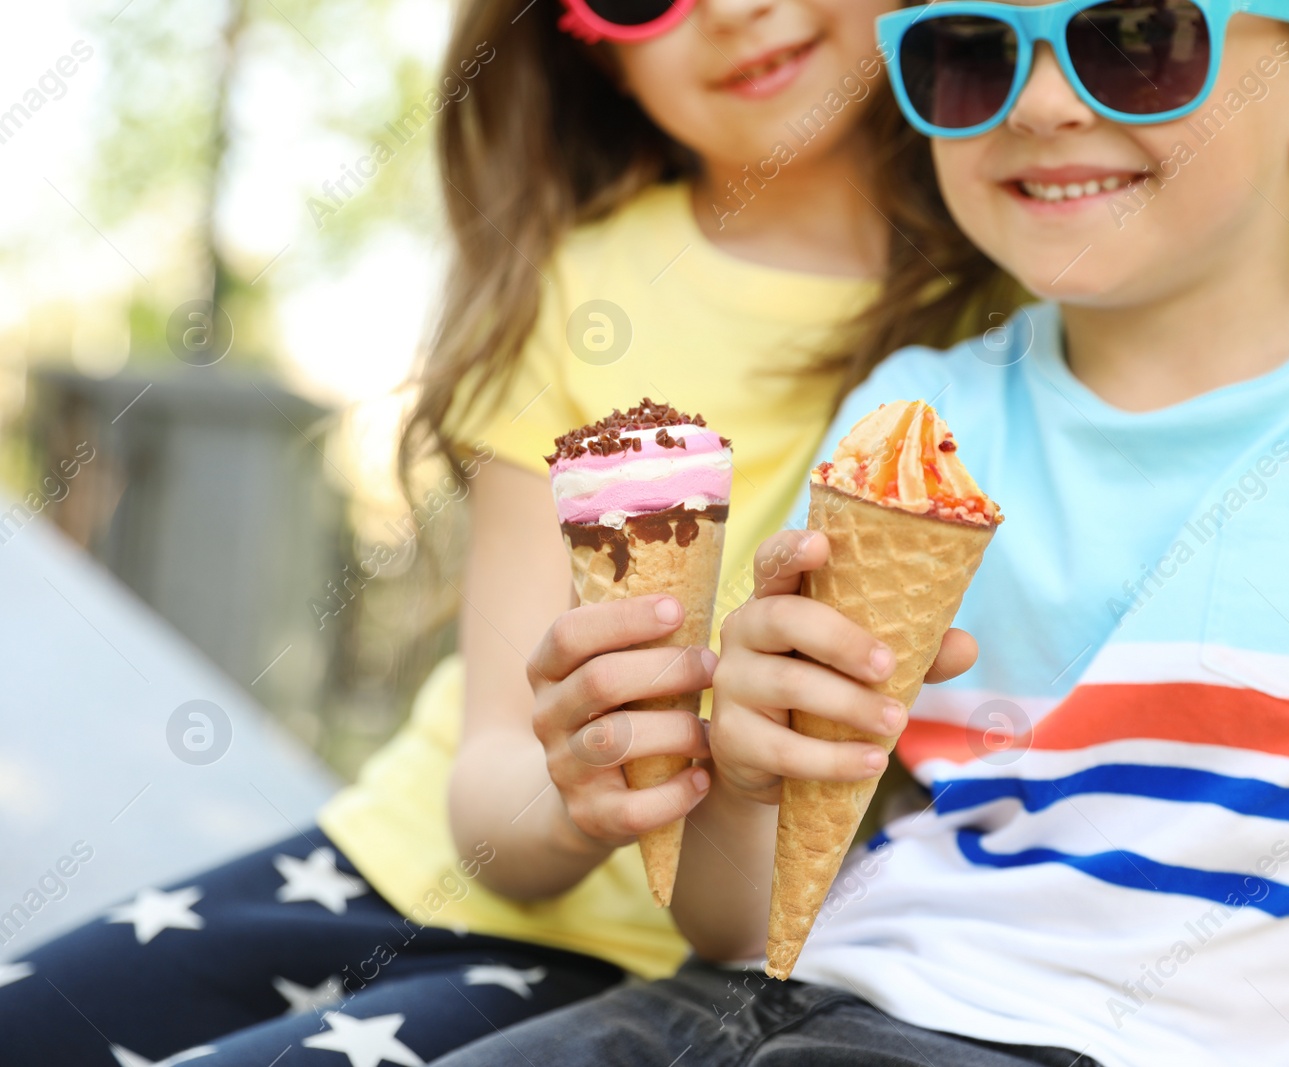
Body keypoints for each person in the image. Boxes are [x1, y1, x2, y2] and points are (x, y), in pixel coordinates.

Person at [433, 2, 1289, 1065]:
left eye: (1137, 38)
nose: (1041, 100)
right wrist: (739, 776)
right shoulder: (912, 415)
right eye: (970, 53)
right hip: (734, 1005)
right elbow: (735, 914)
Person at [0, 1, 1016, 1063]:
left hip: (649, 985)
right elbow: (491, 776)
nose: (730, 10)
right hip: (396, 869)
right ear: (584, 49)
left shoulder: (1029, 305)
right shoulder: (569, 282)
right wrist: (578, 792)